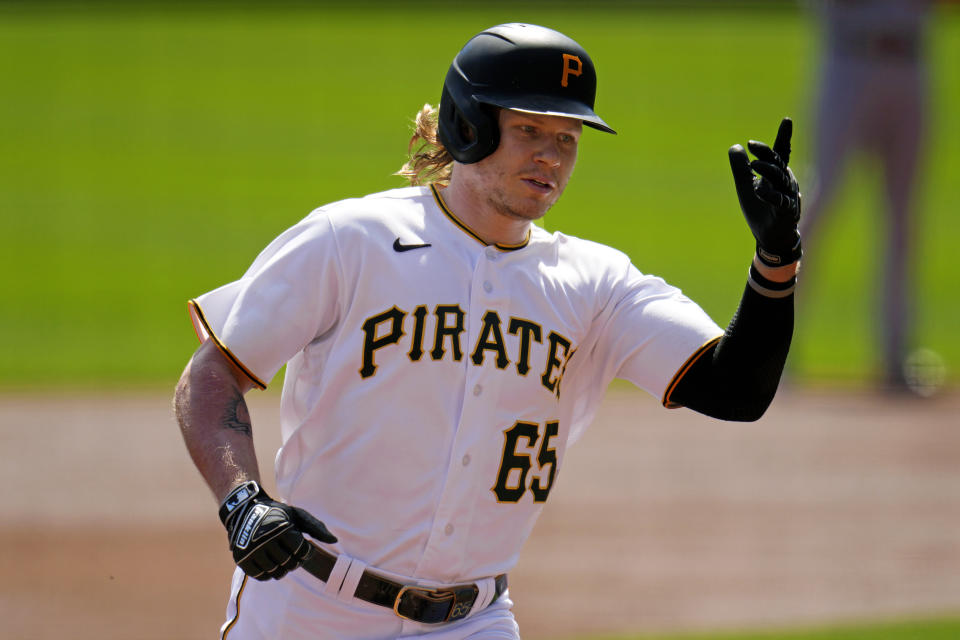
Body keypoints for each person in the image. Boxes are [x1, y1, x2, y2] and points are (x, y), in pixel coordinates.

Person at [174, 23, 801, 640]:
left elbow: (737, 391)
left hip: (474, 621)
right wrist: (242, 501)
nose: (550, 157)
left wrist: (776, 261)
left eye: (568, 137)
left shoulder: (596, 284)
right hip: (310, 610)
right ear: (468, 125)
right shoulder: (349, 240)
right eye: (529, 129)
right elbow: (214, 371)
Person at [801, 0, 932, 391]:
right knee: (817, 203)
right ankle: (769, 347)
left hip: (911, 62)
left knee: (903, 218)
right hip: (849, 60)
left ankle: (895, 358)